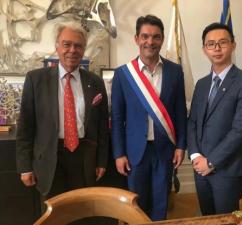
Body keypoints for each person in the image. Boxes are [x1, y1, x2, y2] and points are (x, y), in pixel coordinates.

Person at [16, 22, 109, 199]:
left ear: (83, 50)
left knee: (82, 210)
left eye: (78, 45)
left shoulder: (95, 81)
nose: (72, 50)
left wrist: (101, 161)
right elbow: (25, 127)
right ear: (57, 47)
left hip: (84, 159)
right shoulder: (36, 80)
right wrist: (25, 167)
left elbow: (102, 127)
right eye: (67, 44)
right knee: (54, 214)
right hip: (50, 159)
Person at [111, 15, 187, 221]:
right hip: (135, 151)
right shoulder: (123, 74)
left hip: (165, 149)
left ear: (162, 40)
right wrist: (119, 153)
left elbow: (180, 112)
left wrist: (181, 145)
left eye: (156, 37)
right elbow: (117, 118)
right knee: (136, 203)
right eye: (145, 36)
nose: (150, 42)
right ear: (136, 39)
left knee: (161, 201)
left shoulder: (175, 71)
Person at [187, 22, 242, 215]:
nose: (216, 48)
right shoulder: (201, 84)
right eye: (210, 44)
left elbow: (240, 130)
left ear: (233, 45)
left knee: (226, 219)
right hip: (200, 167)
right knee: (207, 217)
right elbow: (192, 122)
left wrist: (211, 162)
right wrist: (195, 157)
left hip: (228, 169)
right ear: (204, 49)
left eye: (222, 42)